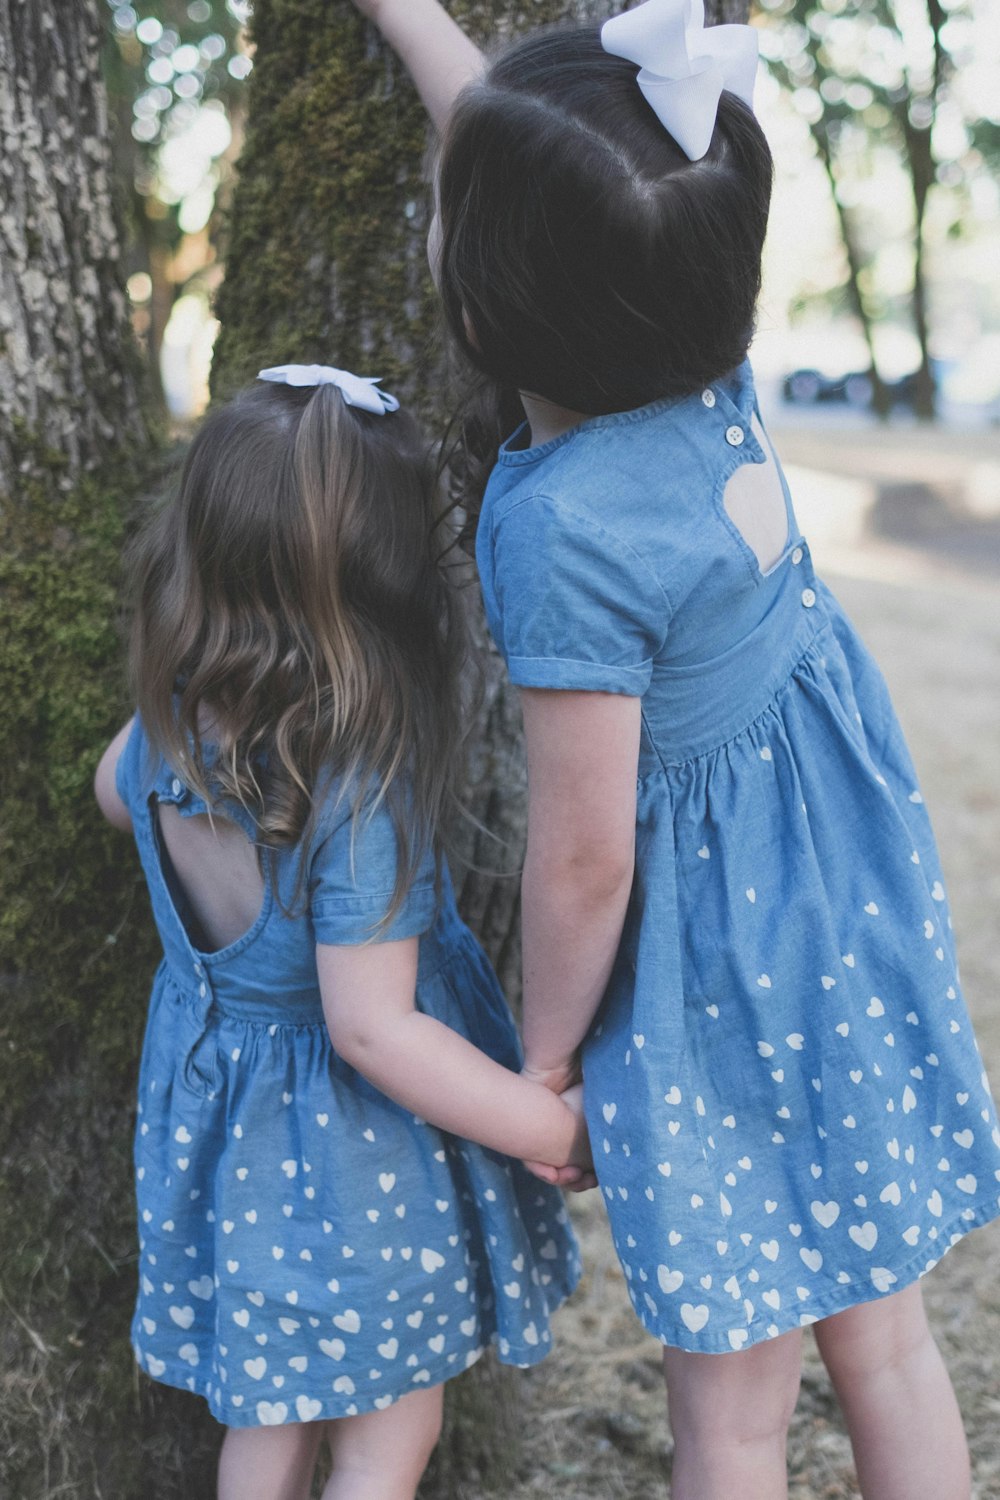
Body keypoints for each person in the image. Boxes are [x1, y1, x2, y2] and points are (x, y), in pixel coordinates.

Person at [346, 3, 1000, 1496]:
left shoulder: (560, 522)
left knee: (733, 1414)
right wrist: (409, 23)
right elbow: (522, 156)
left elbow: (584, 859)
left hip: (720, 969)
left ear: (489, 280)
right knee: (886, 1344)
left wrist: (552, 1053)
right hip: (842, 896)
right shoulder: (699, 351)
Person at [94, 365, 587, 1500]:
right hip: (352, 1160)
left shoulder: (172, 714)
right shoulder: (356, 785)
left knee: (267, 1417)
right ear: (391, 579)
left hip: (225, 1133)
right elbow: (372, 1029)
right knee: (384, 1433)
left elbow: (115, 793)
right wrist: (545, 1124)